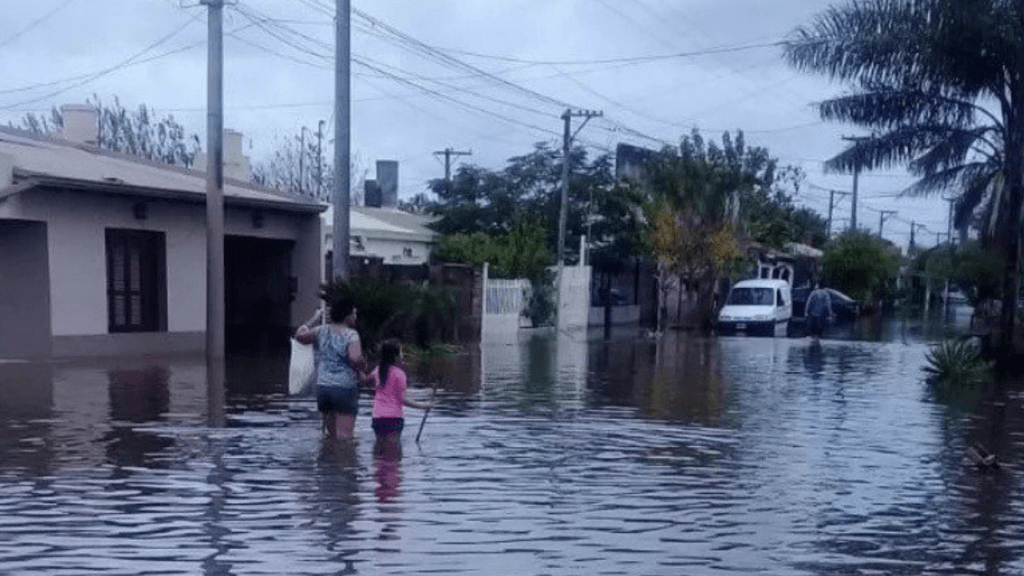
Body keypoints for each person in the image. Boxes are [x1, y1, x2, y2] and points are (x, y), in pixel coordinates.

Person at [295, 297, 365, 440]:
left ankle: (328, 461)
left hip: (323, 387)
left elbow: (299, 336)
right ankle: (343, 462)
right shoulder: (351, 334)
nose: (355, 317)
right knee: (345, 438)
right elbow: (354, 358)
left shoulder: (320, 330)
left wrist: (314, 318)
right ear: (347, 316)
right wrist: (363, 364)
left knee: (330, 436)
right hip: (344, 387)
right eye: (354, 313)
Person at [364, 338, 432, 441]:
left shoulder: (377, 370)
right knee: (393, 453)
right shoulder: (399, 374)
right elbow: (403, 399)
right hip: (393, 418)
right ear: (395, 357)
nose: (402, 355)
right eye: (400, 352)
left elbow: (365, 381)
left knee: (379, 449)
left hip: (377, 417)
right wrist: (423, 406)